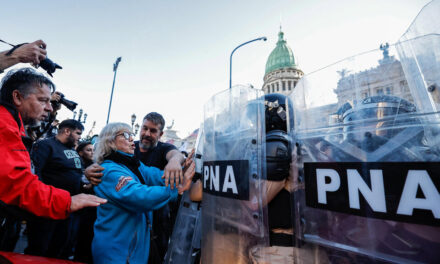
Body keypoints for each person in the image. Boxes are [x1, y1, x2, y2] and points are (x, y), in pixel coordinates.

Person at [0, 68, 106, 220]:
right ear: (17, 97)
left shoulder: (14, 126)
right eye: (43, 100)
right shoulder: (4, 126)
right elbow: (16, 186)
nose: (49, 108)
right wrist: (67, 202)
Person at [85, 112, 186, 263]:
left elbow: (158, 175)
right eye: (125, 135)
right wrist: (175, 189)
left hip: (137, 245)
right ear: (110, 141)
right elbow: (140, 196)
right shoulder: (109, 170)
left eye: (131, 134)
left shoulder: (133, 164)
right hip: (118, 251)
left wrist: (181, 170)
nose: (133, 139)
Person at [25, 119, 86, 259]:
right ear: (66, 131)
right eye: (77, 133)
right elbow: (35, 172)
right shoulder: (45, 145)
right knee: (39, 250)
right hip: (48, 208)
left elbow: (77, 173)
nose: (79, 137)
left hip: (67, 207)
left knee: (59, 248)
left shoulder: (72, 149)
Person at [74, 141, 96, 263]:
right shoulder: (78, 165)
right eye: (88, 150)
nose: (92, 152)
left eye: (93, 150)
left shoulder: (94, 164)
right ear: (80, 152)